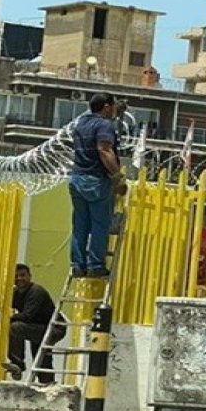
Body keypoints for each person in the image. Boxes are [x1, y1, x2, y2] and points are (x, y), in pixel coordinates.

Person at [0, 264, 65, 382]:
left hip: (55, 328)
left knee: (16, 328)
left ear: (30, 276)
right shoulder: (15, 294)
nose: (19, 278)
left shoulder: (36, 291)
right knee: (40, 357)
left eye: (23, 275)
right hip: (38, 326)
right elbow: (9, 312)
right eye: (16, 276)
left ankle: (18, 364)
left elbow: (26, 316)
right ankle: (46, 382)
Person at [69, 92, 126, 278]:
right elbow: (104, 149)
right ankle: (96, 265)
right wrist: (117, 176)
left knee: (80, 225)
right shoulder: (104, 124)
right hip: (96, 181)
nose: (115, 109)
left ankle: (78, 265)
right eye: (114, 105)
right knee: (100, 225)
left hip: (77, 178)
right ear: (106, 106)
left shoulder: (81, 124)